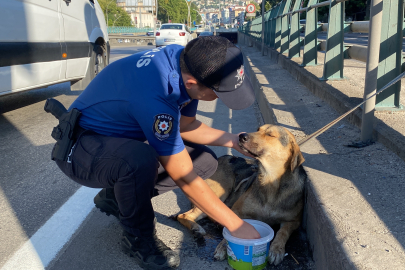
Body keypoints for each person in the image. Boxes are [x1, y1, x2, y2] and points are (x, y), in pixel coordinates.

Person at [54, 36, 260, 269]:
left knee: (204, 161)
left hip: (113, 141)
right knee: (138, 161)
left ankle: (116, 198)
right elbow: (183, 176)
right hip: (80, 148)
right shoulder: (157, 93)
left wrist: (232, 140)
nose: (221, 100)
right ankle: (138, 240)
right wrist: (236, 225)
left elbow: (186, 125)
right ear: (192, 83)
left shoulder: (186, 62)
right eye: (219, 93)